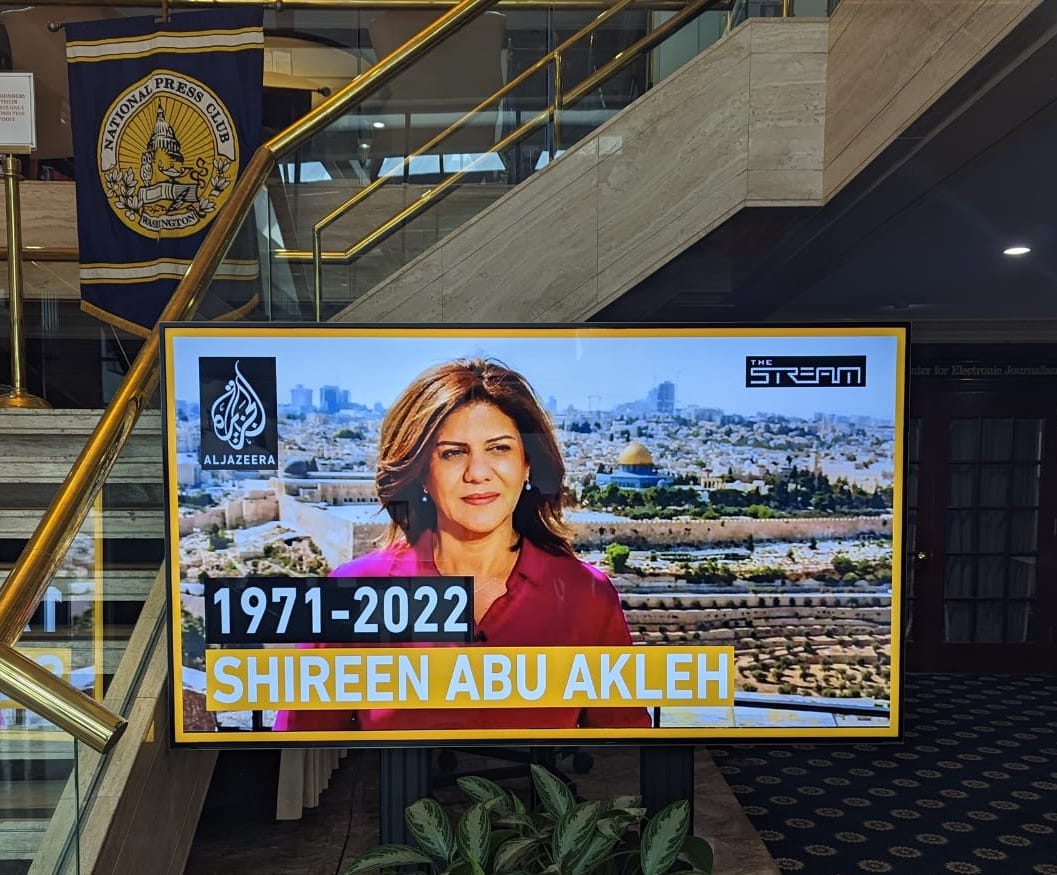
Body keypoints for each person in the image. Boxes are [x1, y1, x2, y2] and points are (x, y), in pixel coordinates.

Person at [273, 357, 651, 732]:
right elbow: (298, 758)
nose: (478, 473)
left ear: (528, 464)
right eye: (453, 453)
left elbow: (624, 756)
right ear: (421, 472)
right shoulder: (349, 595)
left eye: (499, 448)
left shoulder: (584, 596)